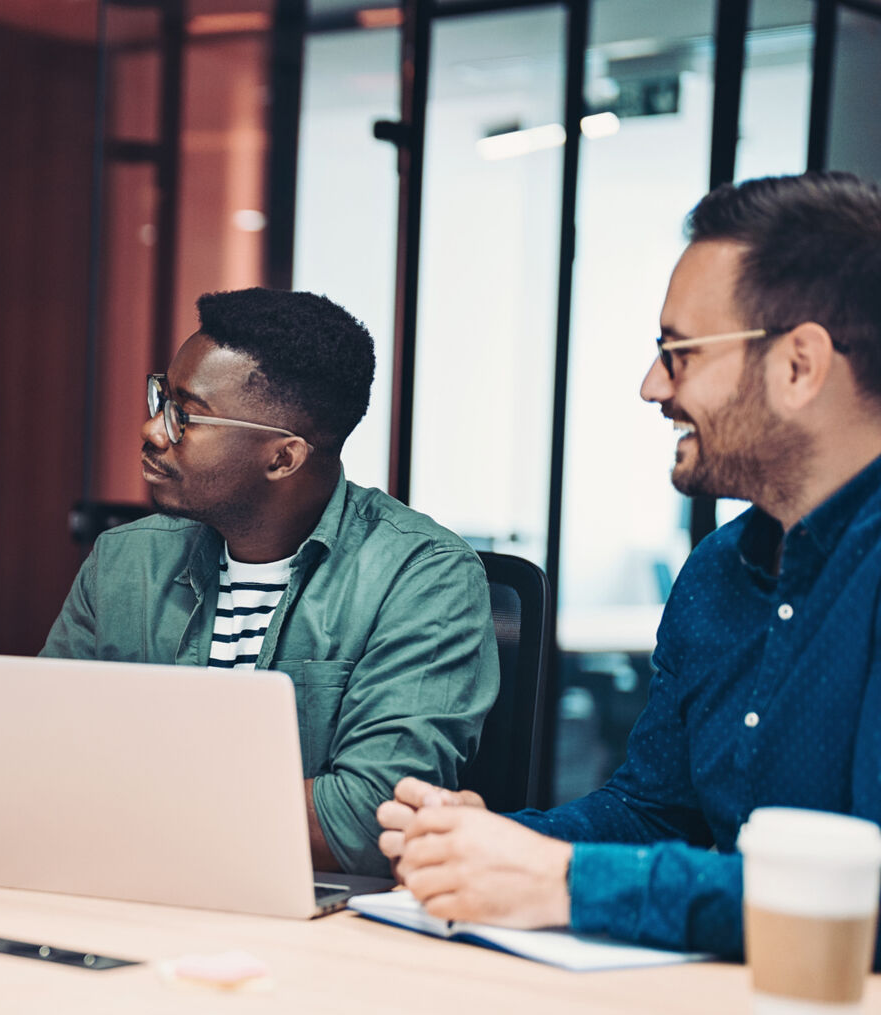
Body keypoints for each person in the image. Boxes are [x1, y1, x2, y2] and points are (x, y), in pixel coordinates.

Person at [377, 171, 881, 964]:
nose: (652, 388)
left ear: (799, 366)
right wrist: (487, 840)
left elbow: (866, 900)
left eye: (677, 354)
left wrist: (569, 881)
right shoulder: (720, 569)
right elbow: (654, 812)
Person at [41, 288, 498, 876]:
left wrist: (119, 797)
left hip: (314, 921)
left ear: (283, 458)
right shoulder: (125, 560)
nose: (153, 430)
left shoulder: (424, 578)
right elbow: (42, 758)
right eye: (162, 398)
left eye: (186, 414)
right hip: (124, 883)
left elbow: (369, 818)